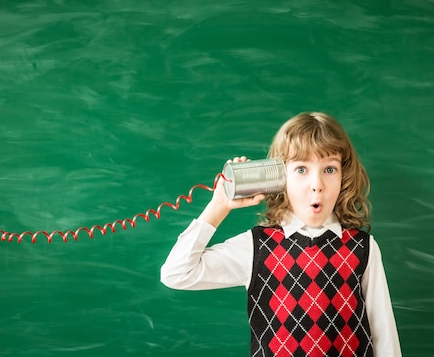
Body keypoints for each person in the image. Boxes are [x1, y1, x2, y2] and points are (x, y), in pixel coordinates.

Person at [161, 112, 402, 357]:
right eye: (301, 169)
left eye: (329, 169)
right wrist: (219, 206)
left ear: (343, 176)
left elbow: (384, 336)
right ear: (278, 176)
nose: (316, 184)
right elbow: (176, 274)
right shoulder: (256, 248)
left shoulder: (362, 248)